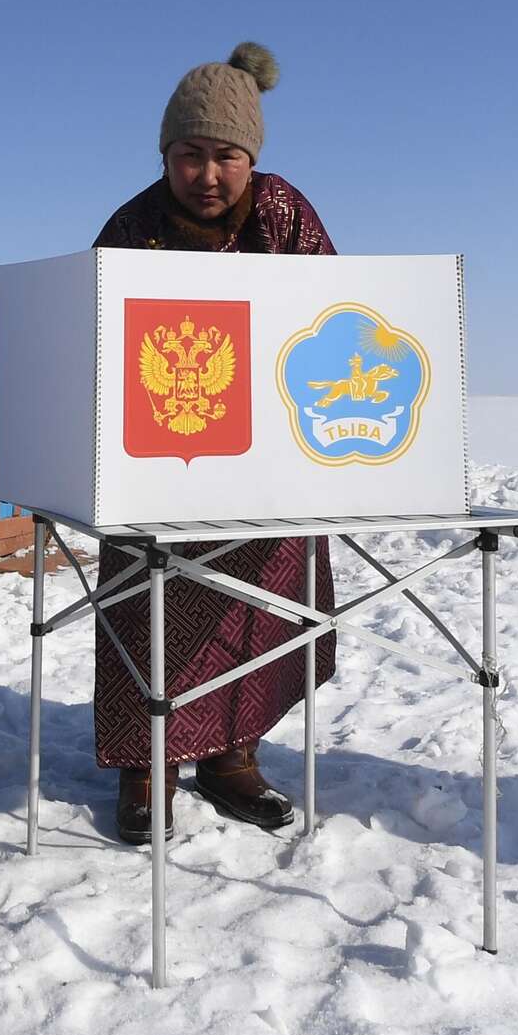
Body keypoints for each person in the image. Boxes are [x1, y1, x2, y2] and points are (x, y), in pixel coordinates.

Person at [92, 42, 338, 844]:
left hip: (268, 451)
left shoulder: (284, 212)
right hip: (156, 452)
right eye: (189, 155)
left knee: (257, 606)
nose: (206, 174)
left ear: (251, 157)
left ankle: (233, 754)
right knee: (148, 600)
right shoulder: (131, 226)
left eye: (224, 156)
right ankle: (146, 763)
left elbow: (333, 312)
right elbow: (94, 329)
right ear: (166, 155)